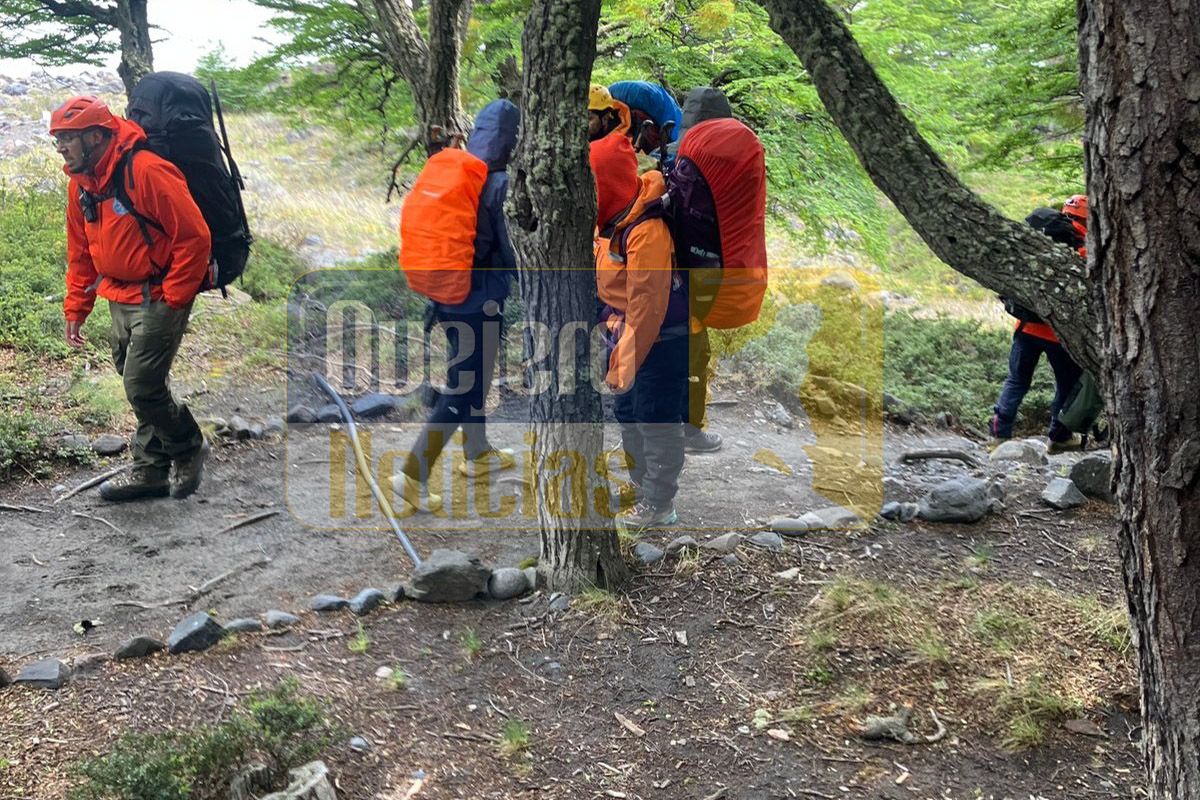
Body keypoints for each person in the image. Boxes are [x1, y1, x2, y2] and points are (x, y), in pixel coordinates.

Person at [54, 95, 212, 502]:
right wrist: (77, 305)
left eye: (67, 138)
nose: (61, 148)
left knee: (141, 384)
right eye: (57, 140)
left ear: (94, 136)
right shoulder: (81, 184)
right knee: (139, 382)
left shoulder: (145, 170)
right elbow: (80, 251)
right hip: (117, 295)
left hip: (158, 294)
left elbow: (194, 237)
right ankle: (151, 472)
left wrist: (174, 297)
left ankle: (189, 447)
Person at [394, 99, 521, 510]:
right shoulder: (498, 183)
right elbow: (510, 250)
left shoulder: (460, 168)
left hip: (445, 297)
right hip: (478, 300)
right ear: (515, 139)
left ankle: (477, 452)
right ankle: (412, 474)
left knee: (470, 377)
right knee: (464, 387)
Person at [591, 126, 687, 530]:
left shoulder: (646, 230)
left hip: (661, 342)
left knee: (655, 418)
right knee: (628, 412)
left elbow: (647, 309)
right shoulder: (611, 221)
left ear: (607, 183)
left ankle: (660, 504)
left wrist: (622, 364)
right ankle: (641, 488)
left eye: (593, 185)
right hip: (626, 335)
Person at [989, 195, 1088, 453]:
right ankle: (1059, 436)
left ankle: (999, 434)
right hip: (1058, 334)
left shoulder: (1038, 239)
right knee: (1066, 385)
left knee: (1017, 380)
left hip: (1025, 327)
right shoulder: (1083, 249)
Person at [669, 86, 737, 454]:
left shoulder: (672, 159)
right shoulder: (725, 166)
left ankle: (665, 426)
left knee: (674, 347)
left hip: (664, 268)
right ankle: (687, 430)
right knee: (694, 351)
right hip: (700, 272)